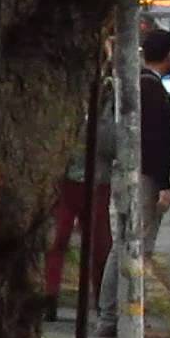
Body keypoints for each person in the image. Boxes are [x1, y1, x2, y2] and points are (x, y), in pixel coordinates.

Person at [96, 29, 170, 338]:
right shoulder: (154, 91)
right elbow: (158, 143)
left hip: (123, 173)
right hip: (143, 179)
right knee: (137, 246)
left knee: (123, 244)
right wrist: (164, 184)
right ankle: (124, 316)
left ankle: (109, 316)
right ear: (169, 55)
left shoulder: (132, 87)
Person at [43, 42, 116, 321]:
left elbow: (113, 139)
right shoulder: (63, 89)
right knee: (56, 240)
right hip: (64, 177)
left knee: (99, 244)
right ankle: (48, 297)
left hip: (96, 180)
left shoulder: (110, 94)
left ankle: (102, 299)